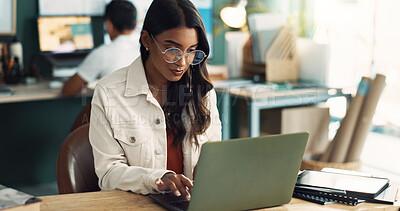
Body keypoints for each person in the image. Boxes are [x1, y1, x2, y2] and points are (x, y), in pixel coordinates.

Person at [89, 0, 221, 201]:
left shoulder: (202, 92)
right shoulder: (109, 92)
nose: (182, 62)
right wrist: (158, 178)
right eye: (172, 49)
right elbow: (108, 174)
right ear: (147, 40)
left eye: (191, 50)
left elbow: (215, 160)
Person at [61, 0, 139, 97]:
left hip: (113, 110)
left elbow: (67, 91)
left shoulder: (103, 53)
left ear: (109, 24)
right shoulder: (146, 49)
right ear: (136, 24)